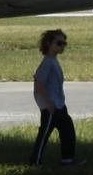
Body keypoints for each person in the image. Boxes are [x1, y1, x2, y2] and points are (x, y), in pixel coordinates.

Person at [32, 28, 78, 166]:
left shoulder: (53, 61)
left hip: (59, 105)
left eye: (64, 43)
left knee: (68, 130)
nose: (62, 46)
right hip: (51, 106)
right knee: (44, 133)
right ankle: (35, 162)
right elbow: (39, 83)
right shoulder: (47, 62)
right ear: (48, 44)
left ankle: (67, 159)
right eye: (59, 43)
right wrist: (47, 103)